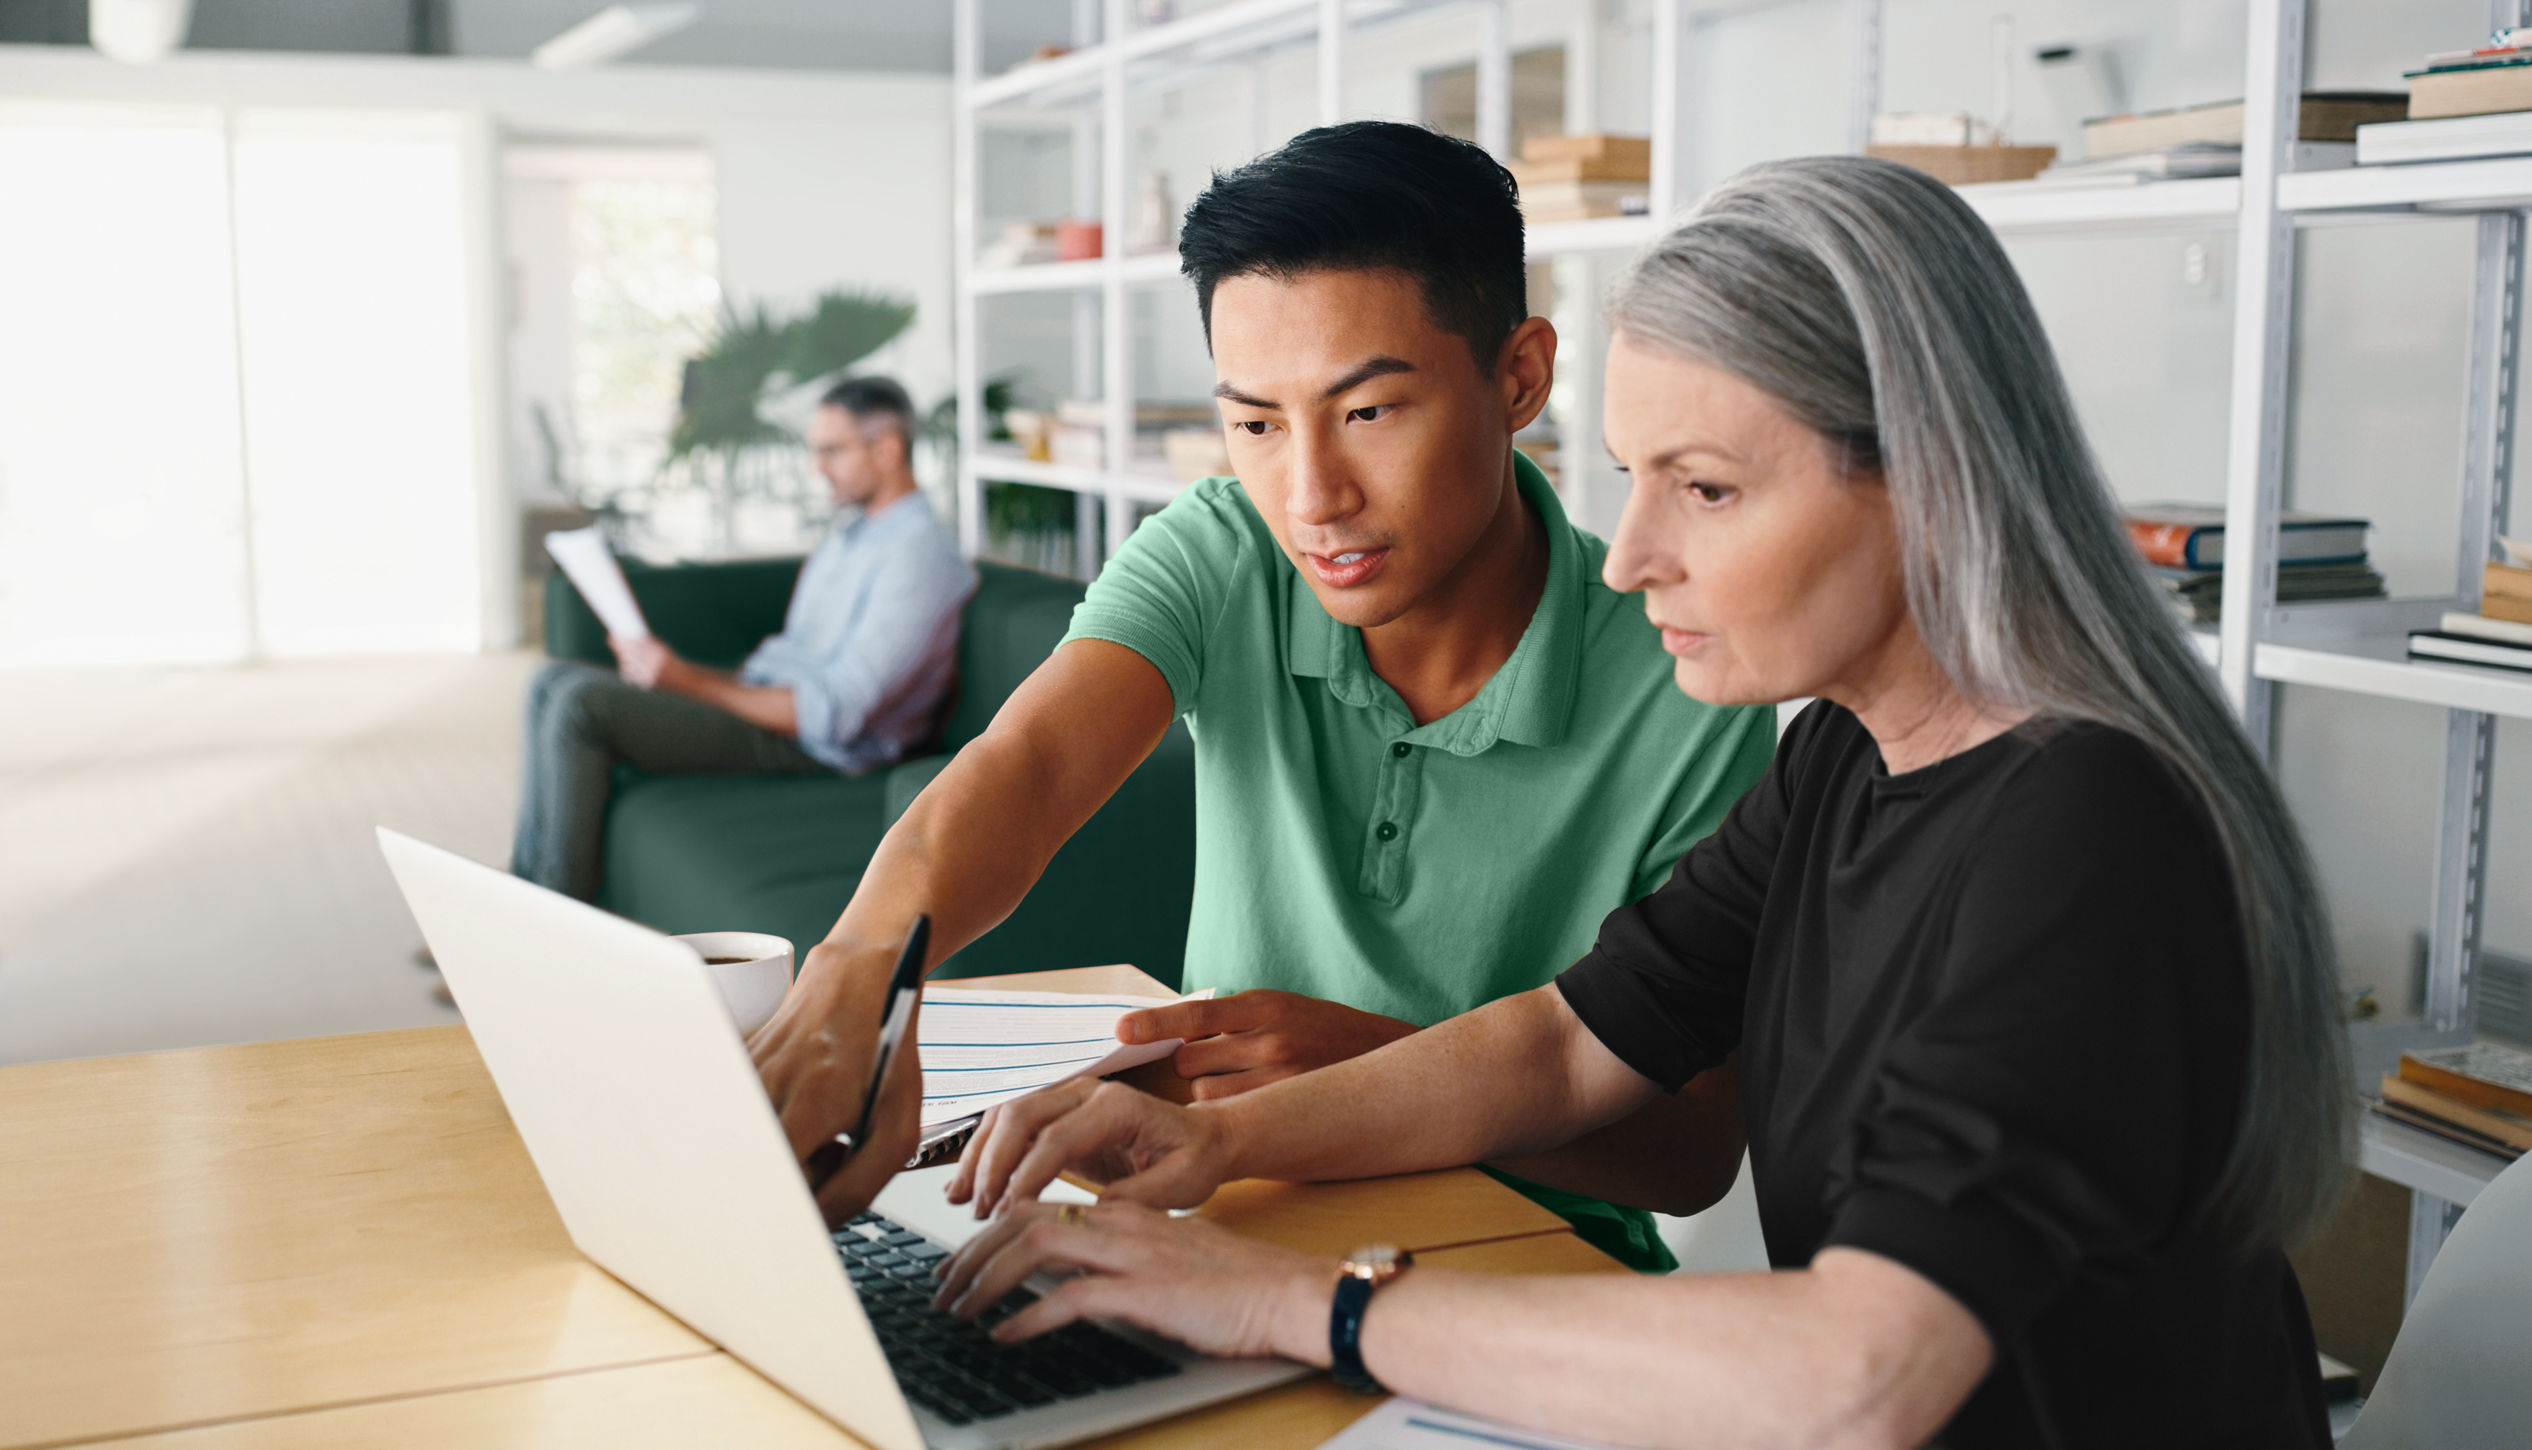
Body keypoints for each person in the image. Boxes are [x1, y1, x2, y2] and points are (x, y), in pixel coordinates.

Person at [923, 155, 2352, 1450]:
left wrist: (1300, 1302)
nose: (1630, 559)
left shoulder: (2083, 825)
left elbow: (1863, 1370)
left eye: (1710, 490)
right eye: (1631, 482)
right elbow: (1566, 1044)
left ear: (1931, 482)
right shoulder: (1847, 757)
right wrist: (1222, 1145)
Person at [749, 122, 1777, 1271]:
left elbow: (1691, 1154)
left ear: (1520, 375)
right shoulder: (1227, 547)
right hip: (1210, 1211)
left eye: (1370, 411)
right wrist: (857, 971)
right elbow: (1029, 771)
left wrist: (1370, 1063)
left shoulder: (1686, 674)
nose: (1311, 496)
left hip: (1526, 1259)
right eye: (1254, 423)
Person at [510, 375, 973, 904]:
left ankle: (551, 921)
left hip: (814, 745)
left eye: (833, 450)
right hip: (768, 701)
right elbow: (792, 657)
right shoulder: (853, 533)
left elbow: (835, 712)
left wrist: (684, 680)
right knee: (550, 679)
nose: (817, 467)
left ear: (888, 449)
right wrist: (683, 675)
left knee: (582, 707)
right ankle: (519, 900)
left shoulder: (918, 557)